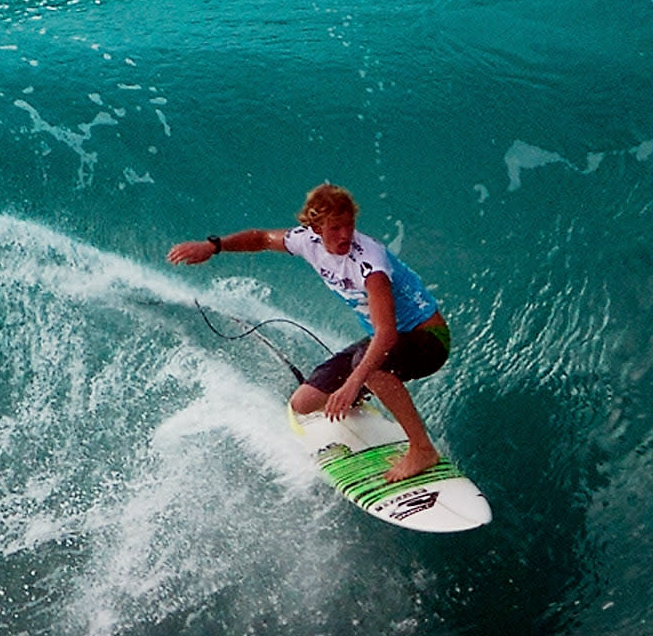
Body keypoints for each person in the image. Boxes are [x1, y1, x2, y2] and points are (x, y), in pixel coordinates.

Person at [169, 184, 454, 484]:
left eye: (349, 225)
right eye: (335, 227)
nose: (345, 235)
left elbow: (386, 337)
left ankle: (422, 449)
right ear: (316, 227)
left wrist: (354, 382)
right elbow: (262, 238)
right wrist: (213, 246)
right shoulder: (307, 241)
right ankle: (362, 388)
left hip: (428, 339)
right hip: (391, 340)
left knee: (369, 369)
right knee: (303, 404)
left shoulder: (371, 266)